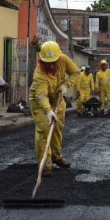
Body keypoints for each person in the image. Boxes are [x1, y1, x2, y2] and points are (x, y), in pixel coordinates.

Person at [29, 41, 81, 177]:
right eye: (47, 63)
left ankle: (56, 156)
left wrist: (66, 85)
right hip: (40, 102)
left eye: (54, 62)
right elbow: (41, 96)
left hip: (58, 98)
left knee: (57, 128)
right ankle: (45, 164)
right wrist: (48, 111)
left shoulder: (64, 59)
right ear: (42, 61)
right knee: (44, 129)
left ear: (59, 58)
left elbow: (76, 73)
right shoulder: (39, 74)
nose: (51, 66)